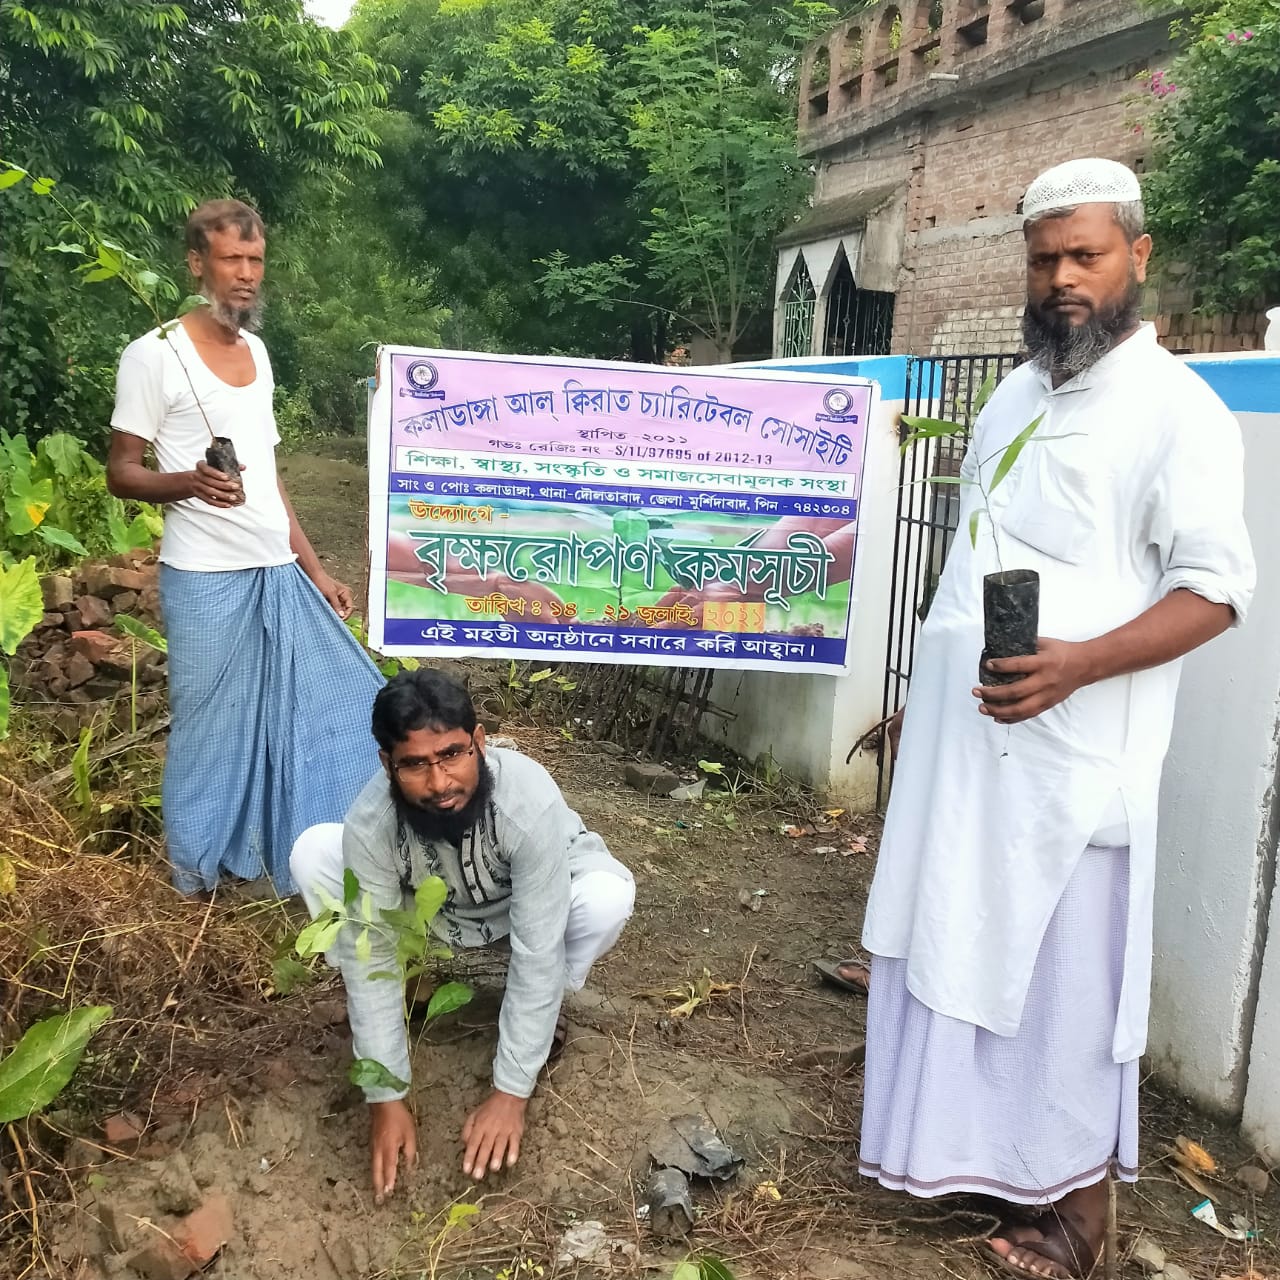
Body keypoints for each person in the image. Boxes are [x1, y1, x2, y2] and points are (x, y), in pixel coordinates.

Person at [857, 158, 1255, 1279]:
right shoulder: (1017, 393)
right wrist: (924, 698)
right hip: (970, 748)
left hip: (1074, 766)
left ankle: (1078, 1214)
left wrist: (1079, 664)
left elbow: (1217, 591)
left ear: (1138, 254)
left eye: (1085, 254)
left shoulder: (1176, 411)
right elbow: (972, 564)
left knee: (1062, 984)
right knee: (956, 939)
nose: (1062, 278)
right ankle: (984, 1161)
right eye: (1043, 259)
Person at [107, 198, 384, 896]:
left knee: (335, 701)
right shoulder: (155, 354)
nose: (246, 273)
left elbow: (267, 476)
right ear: (196, 264)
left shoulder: (257, 353)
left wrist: (314, 568)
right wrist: (188, 482)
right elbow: (122, 472)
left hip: (276, 570)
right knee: (208, 730)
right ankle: (192, 877)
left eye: (255, 260)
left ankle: (276, 856)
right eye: (231, 258)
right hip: (204, 576)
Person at [289, 668, 635, 1198]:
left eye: (452, 755)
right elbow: (369, 950)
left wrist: (510, 1094)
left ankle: (544, 1016)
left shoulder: (526, 802)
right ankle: (413, 987)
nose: (439, 784)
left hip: (530, 911)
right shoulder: (373, 821)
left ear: (479, 741)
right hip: (437, 917)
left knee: (605, 898)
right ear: (387, 764)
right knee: (313, 852)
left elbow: (538, 949)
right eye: (414, 765)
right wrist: (385, 1096)